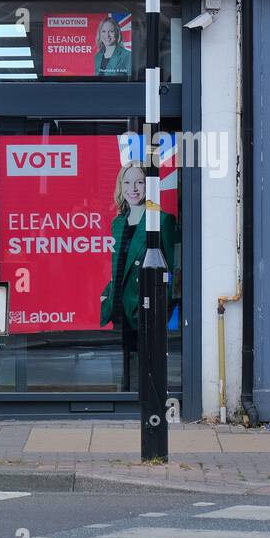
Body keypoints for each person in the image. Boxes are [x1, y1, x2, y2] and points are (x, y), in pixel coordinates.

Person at [100, 161, 179, 391]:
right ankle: (125, 393)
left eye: (139, 182)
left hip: (147, 305)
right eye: (127, 182)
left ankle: (144, 399)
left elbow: (172, 269)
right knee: (123, 360)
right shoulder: (117, 222)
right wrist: (106, 297)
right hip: (118, 307)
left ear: (148, 186)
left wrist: (164, 305)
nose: (132, 188)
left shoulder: (161, 220)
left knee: (147, 363)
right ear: (120, 186)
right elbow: (116, 267)